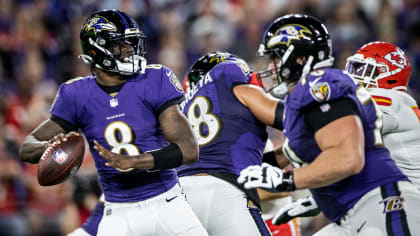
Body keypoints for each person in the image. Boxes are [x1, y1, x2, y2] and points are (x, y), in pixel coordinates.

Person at [19, 9, 208, 236]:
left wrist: (135, 161)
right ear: (97, 49)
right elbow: (27, 146)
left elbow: (189, 149)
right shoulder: (76, 94)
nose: (130, 50)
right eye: (121, 44)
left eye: (131, 43)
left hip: (167, 202)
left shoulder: (154, 79)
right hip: (118, 212)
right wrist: (49, 149)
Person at [237, 14, 420, 235]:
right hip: (352, 211)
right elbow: (295, 151)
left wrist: (287, 180)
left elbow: (347, 157)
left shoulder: (322, 85)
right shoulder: (309, 98)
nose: (270, 67)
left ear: (299, 57)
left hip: (385, 201)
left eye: (275, 58)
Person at [272, 41, 420, 230]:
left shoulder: (394, 99)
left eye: (361, 68)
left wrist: (304, 109)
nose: (352, 74)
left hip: (402, 203)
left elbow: (345, 122)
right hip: (379, 200)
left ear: (388, 74)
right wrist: (317, 200)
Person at [176, 51, 286, 235]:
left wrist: (288, 153)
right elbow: (293, 120)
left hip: (179, 200)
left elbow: (246, 165)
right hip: (226, 192)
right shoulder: (234, 86)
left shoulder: (179, 115)